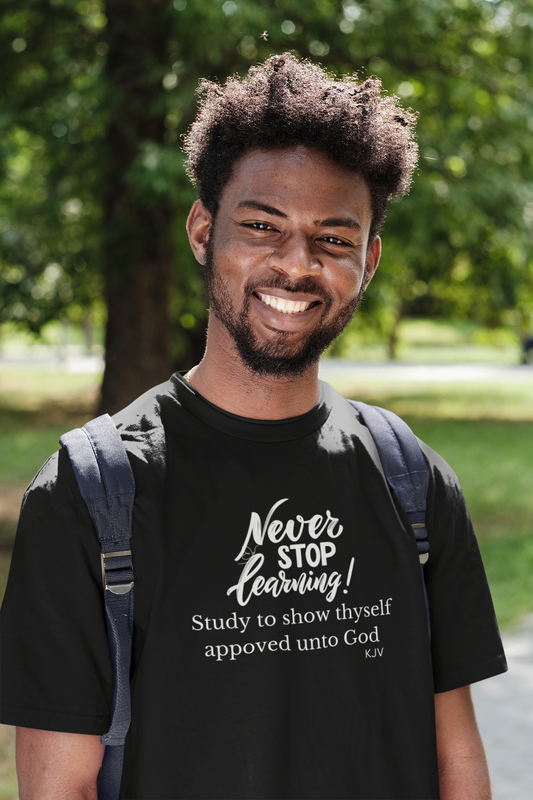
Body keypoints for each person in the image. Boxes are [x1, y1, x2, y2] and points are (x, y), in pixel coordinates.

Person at [1, 54, 506, 800]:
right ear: (203, 230)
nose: (294, 265)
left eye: (333, 239)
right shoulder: (91, 494)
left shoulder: (413, 481)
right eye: (262, 225)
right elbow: (58, 790)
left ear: (367, 262)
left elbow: (455, 764)